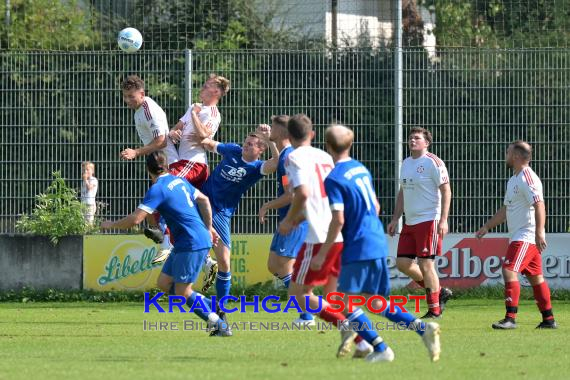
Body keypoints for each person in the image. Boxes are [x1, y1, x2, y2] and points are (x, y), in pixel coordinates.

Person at [314, 125, 440, 362]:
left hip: (359, 244)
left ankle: (380, 348)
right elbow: (376, 206)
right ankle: (422, 329)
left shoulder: (334, 178)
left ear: (328, 147)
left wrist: (323, 253)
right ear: (350, 145)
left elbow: (338, 219)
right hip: (376, 240)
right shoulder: (360, 169)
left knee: (339, 299)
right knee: (376, 301)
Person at [100, 151, 230, 336]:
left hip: (191, 242)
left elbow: (136, 219)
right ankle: (214, 307)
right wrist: (208, 228)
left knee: (182, 291)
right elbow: (204, 200)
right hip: (188, 240)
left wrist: (110, 224)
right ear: (167, 165)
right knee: (164, 283)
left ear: (148, 170)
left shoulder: (157, 188)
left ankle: (219, 324)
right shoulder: (178, 180)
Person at [278, 114, 358, 357]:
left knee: (298, 295)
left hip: (319, 236)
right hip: (337, 228)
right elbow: (326, 196)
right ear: (312, 135)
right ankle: (367, 344)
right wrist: (302, 217)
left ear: (288, 137)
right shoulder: (325, 156)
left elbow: (302, 194)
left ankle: (347, 326)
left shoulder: (294, 156)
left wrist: (290, 219)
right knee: (333, 296)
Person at [150, 74, 230, 286]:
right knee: (180, 212)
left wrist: (195, 117)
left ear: (216, 92)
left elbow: (204, 136)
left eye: (207, 85)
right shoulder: (194, 106)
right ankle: (206, 261)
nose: (202, 87)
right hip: (184, 162)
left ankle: (166, 241)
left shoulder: (212, 112)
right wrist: (176, 132)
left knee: (162, 188)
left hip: (194, 165)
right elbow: (178, 127)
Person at [476, 141, 557, 329]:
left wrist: (539, 233)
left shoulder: (527, 177)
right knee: (536, 277)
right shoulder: (514, 179)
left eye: (508, 151)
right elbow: (506, 209)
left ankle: (510, 318)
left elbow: (540, 204)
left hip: (526, 235)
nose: (505, 154)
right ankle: (549, 319)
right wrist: (487, 226)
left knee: (509, 270)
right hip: (520, 236)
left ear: (516, 156)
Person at [200, 126, 279, 320]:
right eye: (246, 142)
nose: (246, 145)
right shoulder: (232, 150)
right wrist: (194, 123)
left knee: (225, 262)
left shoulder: (256, 167)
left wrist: (270, 139)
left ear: (261, 150)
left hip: (221, 213)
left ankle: (220, 309)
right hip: (202, 201)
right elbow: (208, 143)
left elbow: (276, 163)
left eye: (252, 144)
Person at [387, 127, 453, 319]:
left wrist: (443, 220)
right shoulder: (406, 163)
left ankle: (434, 309)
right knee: (403, 264)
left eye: (417, 138)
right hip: (410, 222)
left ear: (427, 143)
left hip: (428, 220)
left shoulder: (434, 162)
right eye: (410, 138)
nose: (412, 140)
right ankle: (438, 291)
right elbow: (403, 192)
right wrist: (395, 218)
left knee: (426, 264)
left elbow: (446, 191)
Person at [258, 115, 313, 326]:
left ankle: (306, 314)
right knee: (275, 265)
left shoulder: (290, 156)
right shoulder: (286, 155)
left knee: (285, 267)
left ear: (282, 132)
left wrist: (266, 205)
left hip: (295, 220)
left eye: (273, 127)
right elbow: (279, 160)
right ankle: (306, 307)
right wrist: (270, 141)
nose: (269, 128)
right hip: (290, 219)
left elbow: (291, 195)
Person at [120, 75, 177, 260]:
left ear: (142, 94)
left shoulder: (148, 109)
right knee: (156, 208)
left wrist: (136, 152)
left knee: (161, 206)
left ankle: (167, 243)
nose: (127, 100)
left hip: (168, 163)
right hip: (157, 163)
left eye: (131, 96)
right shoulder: (139, 109)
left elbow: (161, 141)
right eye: (125, 96)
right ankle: (164, 238)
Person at [81, 161, 98, 225]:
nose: (85, 171)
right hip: (83, 203)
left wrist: (85, 180)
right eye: (84, 170)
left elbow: (90, 188)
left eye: (87, 170)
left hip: (90, 204)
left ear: (92, 171)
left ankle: (90, 232)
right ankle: (84, 233)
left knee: (89, 221)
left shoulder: (93, 180)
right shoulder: (85, 180)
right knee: (83, 221)